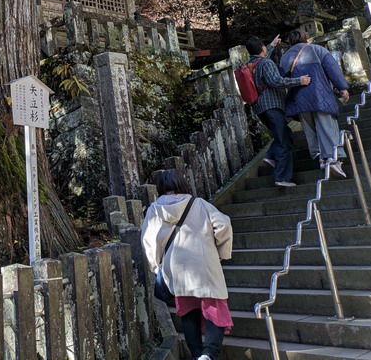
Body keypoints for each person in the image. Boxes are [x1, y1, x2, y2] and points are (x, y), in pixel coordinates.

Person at [142, 169, 233, 360]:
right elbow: (223, 224)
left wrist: (156, 266)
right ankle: (209, 354)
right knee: (215, 307)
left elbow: (147, 241)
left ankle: (197, 354)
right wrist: (221, 253)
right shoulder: (198, 204)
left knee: (189, 311)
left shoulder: (154, 210)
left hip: (175, 270)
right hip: (205, 266)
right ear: (183, 183)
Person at [280, 29, 350, 177]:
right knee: (327, 127)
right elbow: (332, 69)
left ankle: (320, 159)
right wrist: (342, 88)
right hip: (320, 96)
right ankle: (332, 159)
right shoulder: (317, 49)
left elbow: (280, 78)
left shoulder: (285, 57)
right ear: (305, 38)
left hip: (298, 100)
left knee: (310, 130)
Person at [245, 35, 311, 187]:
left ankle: (270, 156)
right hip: (272, 106)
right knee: (283, 141)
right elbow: (276, 81)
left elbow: (261, 56)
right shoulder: (266, 62)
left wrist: (272, 45)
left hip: (260, 108)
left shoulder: (250, 64)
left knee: (285, 135)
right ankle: (281, 177)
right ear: (262, 48)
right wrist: (299, 81)